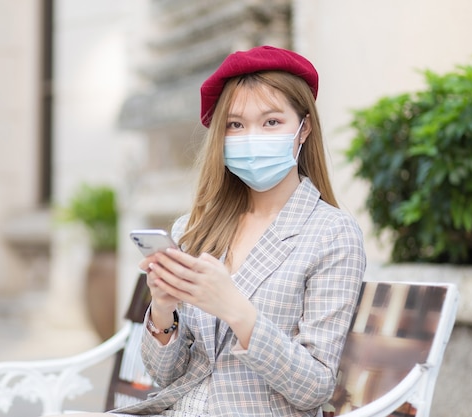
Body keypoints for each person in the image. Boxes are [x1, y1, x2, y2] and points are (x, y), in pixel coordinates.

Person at [60, 45, 366, 417]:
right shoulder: (194, 228)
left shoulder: (332, 234)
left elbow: (315, 388)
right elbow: (164, 374)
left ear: (304, 128)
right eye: (236, 125)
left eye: (271, 122)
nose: (251, 137)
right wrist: (163, 308)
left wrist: (236, 309)